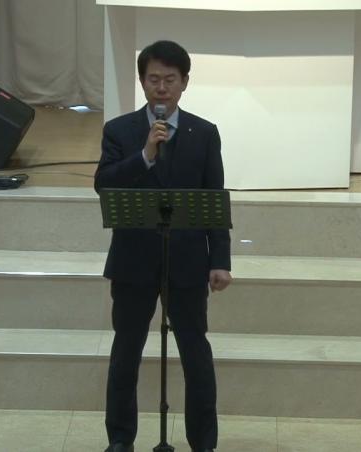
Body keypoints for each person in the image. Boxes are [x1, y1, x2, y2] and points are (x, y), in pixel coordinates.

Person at [94, 40, 232, 452]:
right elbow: (104, 184)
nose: (161, 88)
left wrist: (220, 260)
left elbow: (214, 198)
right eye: (153, 79)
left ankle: (203, 442)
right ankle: (120, 440)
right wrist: (145, 154)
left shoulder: (204, 133)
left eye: (170, 80)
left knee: (195, 355)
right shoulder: (120, 131)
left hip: (187, 262)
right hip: (133, 261)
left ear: (184, 82)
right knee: (125, 354)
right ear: (142, 81)